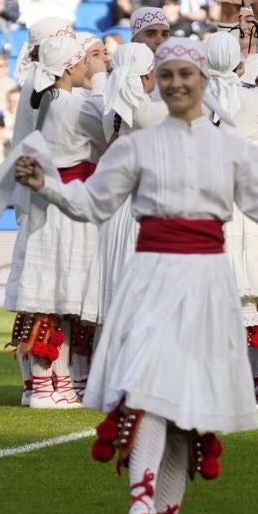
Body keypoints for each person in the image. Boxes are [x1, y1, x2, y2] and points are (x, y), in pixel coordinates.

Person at [13, 36, 258, 514]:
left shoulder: (232, 150)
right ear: (157, 85)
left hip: (209, 281)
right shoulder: (137, 145)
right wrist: (47, 187)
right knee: (149, 391)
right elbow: (92, 205)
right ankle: (141, 498)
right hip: (151, 275)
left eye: (186, 74)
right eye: (167, 76)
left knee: (190, 411)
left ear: (203, 81)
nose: (177, 83)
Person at [0, 34, 101, 409]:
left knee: (47, 296)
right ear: (69, 66)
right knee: (63, 298)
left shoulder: (45, 100)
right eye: (84, 60)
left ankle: (43, 384)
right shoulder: (77, 104)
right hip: (70, 208)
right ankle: (56, 385)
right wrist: (103, 80)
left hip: (47, 205)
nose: (89, 66)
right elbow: (115, 132)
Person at [202, 28, 258, 406]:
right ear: (237, 62)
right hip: (249, 197)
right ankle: (250, 381)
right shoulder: (256, 98)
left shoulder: (190, 97)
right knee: (249, 293)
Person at [89, 42, 168, 391]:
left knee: (116, 290)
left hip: (117, 211)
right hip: (144, 210)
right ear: (147, 74)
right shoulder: (150, 112)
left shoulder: (113, 109)